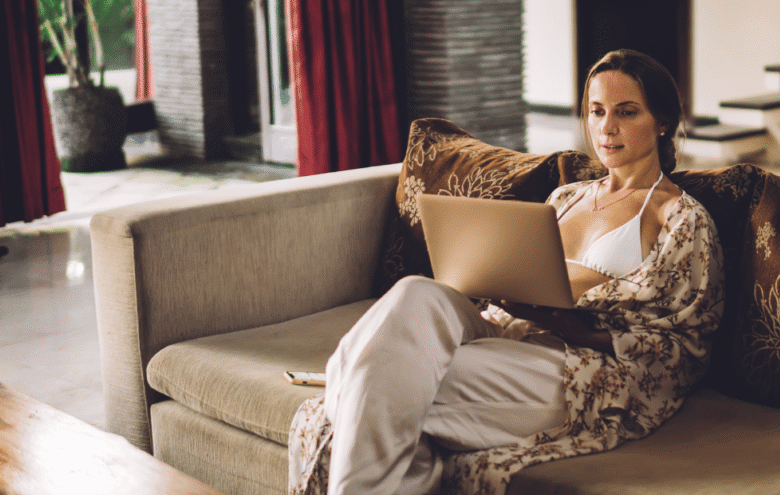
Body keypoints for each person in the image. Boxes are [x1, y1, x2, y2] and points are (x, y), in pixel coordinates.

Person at [288, 49, 725, 495]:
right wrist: (488, 276)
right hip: (504, 328)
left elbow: (684, 345)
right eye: (596, 111)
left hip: (575, 363)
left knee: (374, 376)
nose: (606, 127)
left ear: (663, 122)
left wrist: (562, 322)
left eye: (626, 112)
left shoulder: (681, 217)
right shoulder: (566, 198)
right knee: (415, 294)